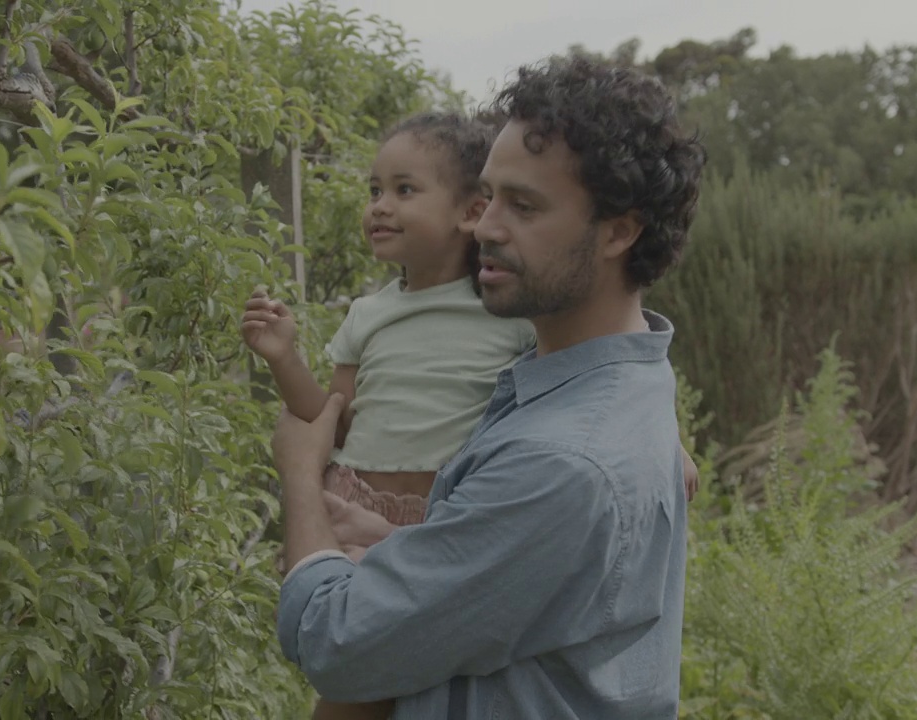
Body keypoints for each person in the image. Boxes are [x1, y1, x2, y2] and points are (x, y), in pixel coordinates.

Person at [269, 55, 706, 719]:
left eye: (524, 206)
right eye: (490, 195)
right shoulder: (614, 381)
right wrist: (405, 549)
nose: (486, 226)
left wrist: (301, 477)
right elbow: (533, 592)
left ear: (620, 230)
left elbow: (336, 644)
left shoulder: (564, 463)